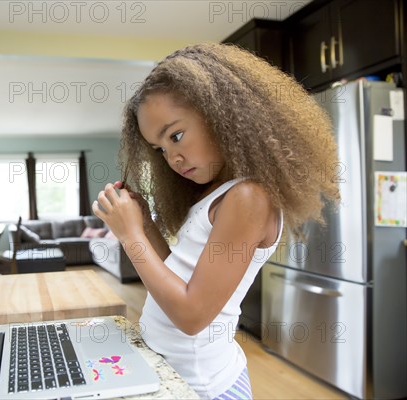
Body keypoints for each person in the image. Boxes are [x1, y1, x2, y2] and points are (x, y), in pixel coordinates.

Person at [92, 43, 340, 399]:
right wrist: (145, 224)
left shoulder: (249, 198)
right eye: (160, 149)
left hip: (205, 387)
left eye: (176, 135)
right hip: (176, 372)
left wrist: (130, 236)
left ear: (221, 113)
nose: (172, 157)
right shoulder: (219, 194)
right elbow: (179, 278)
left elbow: (192, 316)